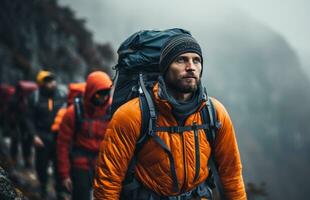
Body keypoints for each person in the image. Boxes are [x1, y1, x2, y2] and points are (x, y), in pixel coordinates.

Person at [94, 33, 247, 199]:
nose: (191, 67)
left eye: (196, 60)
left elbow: (231, 174)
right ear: (166, 67)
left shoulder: (214, 113)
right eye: (181, 60)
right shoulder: (132, 115)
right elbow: (108, 180)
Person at [57, 71, 112, 200]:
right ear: (91, 92)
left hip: (103, 164)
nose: (104, 98)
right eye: (99, 94)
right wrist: (64, 174)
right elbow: (62, 144)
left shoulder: (112, 111)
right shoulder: (74, 113)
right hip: (80, 164)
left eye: (106, 93)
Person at [26, 70, 66, 198]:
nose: (52, 83)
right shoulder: (35, 97)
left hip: (58, 137)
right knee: (41, 165)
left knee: (59, 164)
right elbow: (28, 118)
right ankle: (43, 187)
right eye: (47, 81)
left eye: (52, 80)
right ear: (41, 84)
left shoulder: (61, 94)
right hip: (42, 136)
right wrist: (34, 136)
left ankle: (59, 191)